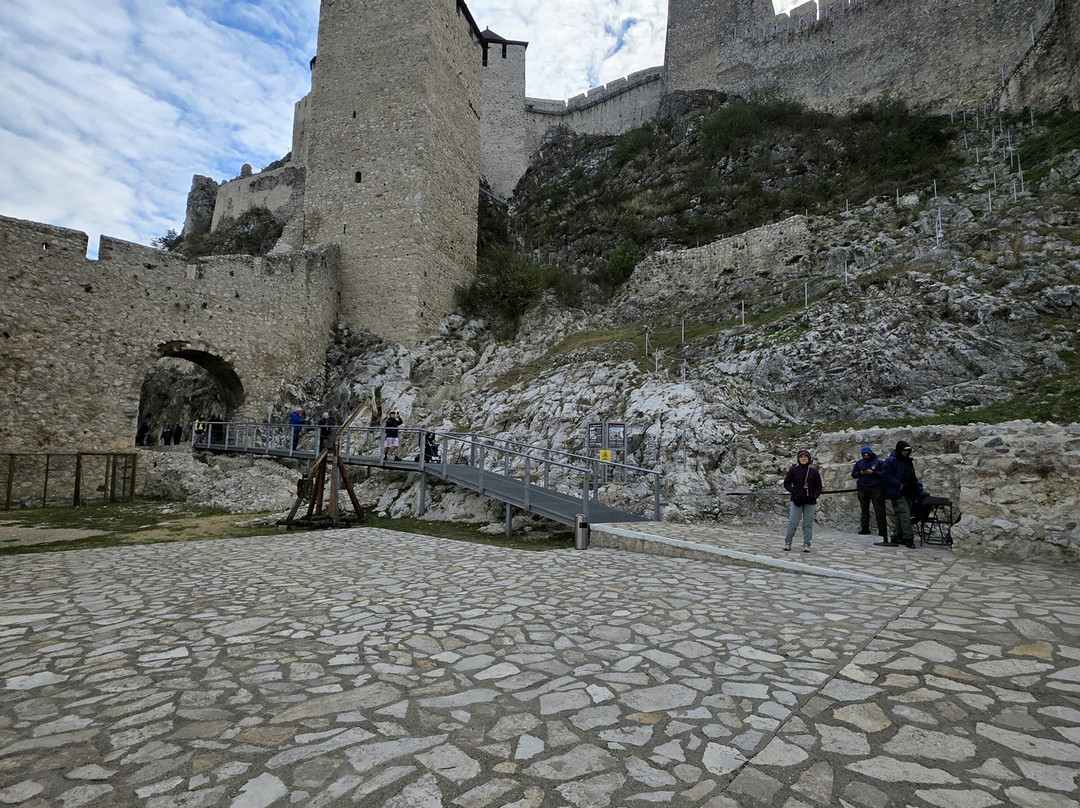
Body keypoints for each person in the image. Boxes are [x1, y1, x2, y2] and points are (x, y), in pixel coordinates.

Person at [882, 440, 923, 548]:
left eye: (907, 451)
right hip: (898, 492)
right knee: (905, 515)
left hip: (909, 491)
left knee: (902, 515)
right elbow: (886, 475)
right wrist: (897, 484)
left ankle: (896, 536)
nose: (906, 452)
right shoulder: (891, 461)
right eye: (904, 450)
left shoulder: (907, 461)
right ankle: (908, 538)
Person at [783, 449, 823, 552]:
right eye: (801, 456)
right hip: (797, 500)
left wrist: (815, 495)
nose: (803, 458)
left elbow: (818, 486)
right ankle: (788, 542)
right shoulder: (793, 470)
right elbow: (786, 483)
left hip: (810, 501)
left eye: (806, 457)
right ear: (798, 458)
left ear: (809, 459)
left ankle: (806, 544)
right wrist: (794, 491)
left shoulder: (814, 472)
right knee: (793, 522)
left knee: (808, 524)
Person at [851, 445, 888, 540]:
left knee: (878, 509)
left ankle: (882, 529)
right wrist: (861, 473)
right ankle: (865, 528)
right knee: (864, 509)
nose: (866, 456)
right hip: (863, 488)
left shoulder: (878, 463)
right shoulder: (859, 463)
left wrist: (873, 473)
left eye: (867, 454)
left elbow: (884, 474)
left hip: (875, 488)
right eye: (864, 454)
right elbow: (854, 474)